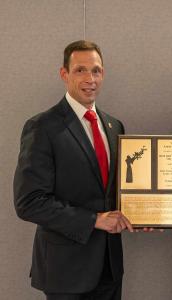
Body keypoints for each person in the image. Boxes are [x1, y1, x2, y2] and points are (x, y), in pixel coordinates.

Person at [13, 40, 133, 300]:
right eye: (81, 70)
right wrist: (95, 220)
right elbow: (29, 202)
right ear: (64, 74)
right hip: (65, 271)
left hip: (110, 269)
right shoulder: (43, 127)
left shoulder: (115, 126)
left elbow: (122, 190)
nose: (90, 78)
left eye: (97, 71)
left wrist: (145, 213)